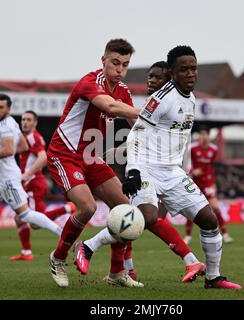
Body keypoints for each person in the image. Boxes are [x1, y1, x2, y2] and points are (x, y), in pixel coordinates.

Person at [122, 45, 241, 289]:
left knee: (209, 220)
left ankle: (213, 277)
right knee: (146, 217)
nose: (191, 73)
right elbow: (136, 134)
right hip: (146, 167)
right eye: (184, 69)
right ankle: (93, 247)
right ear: (173, 73)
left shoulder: (192, 99)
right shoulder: (160, 100)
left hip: (172, 171)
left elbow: (177, 139)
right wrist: (133, 169)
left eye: (193, 68)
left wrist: (181, 168)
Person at [76, 61, 206, 284]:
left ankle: (114, 262)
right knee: (143, 217)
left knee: (138, 218)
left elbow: (160, 142)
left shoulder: (171, 106)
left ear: (169, 81)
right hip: (145, 171)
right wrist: (121, 157)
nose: (151, 81)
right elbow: (139, 138)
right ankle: (186, 260)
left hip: (167, 173)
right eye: (150, 76)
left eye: (157, 77)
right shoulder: (153, 105)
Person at [46, 39, 142, 288]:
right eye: (115, 62)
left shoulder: (123, 90)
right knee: (87, 207)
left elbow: (135, 126)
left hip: (91, 157)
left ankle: (117, 273)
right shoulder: (90, 82)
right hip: (65, 155)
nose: (120, 69)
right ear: (103, 60)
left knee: (126, 208)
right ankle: (58, 258)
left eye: (125, 64)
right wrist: (149, 112)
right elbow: (109, 106)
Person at [0, 94, 63, 264]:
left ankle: (62, 233)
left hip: (8, 178)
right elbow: (22, 146)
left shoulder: (5, 127)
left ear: (8, 109)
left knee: (25, 215)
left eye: (1, 107)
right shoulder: (11, 124)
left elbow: (9, 150)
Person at [9, 110, 76, 261]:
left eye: (28, 120)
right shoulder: (27, 138)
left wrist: (27, 175)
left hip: (34, 183)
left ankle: (68, 208)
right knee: (20, 218)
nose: (25, 122)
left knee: (34, 221)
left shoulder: (34, 137)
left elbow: (43, 157)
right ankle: (26, 252)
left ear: (35, 122)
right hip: (33, 183)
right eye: (23, 119)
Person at [185, 127, 233, 245]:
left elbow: (211, 167)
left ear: (209, 137)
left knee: (215, 207)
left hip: (208, 183)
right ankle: (188, 236)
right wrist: (192, 171)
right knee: (191, 208)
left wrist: (213, 183)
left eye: (206, 135)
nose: (204, 137)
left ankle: (225, 234)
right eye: (202, 135)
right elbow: (186, 163)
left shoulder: (213, 149)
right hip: (195, 183)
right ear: (199, 137)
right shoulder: (192, 148)